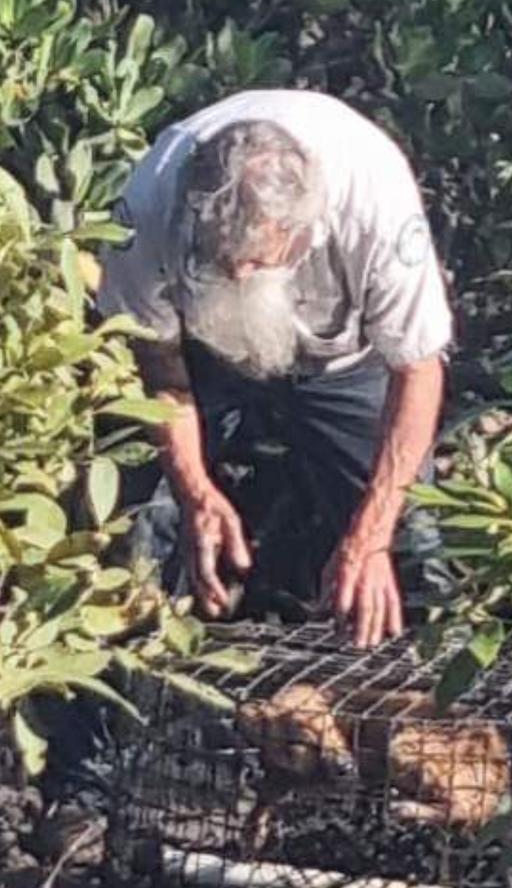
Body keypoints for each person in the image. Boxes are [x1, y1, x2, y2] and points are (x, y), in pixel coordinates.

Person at [97, 89, 454, 649]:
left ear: (300, 229)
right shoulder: (151, 200)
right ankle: (128, 690)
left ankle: (424, 689)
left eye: (255, 258)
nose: (237, 273)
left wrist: (370, 537)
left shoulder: (374, 199)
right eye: (220, 255)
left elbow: (418, 368)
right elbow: (155, 362)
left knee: (413, 538)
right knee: (135, 518)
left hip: (343, 361)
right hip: (203, 359)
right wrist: (194, 490)